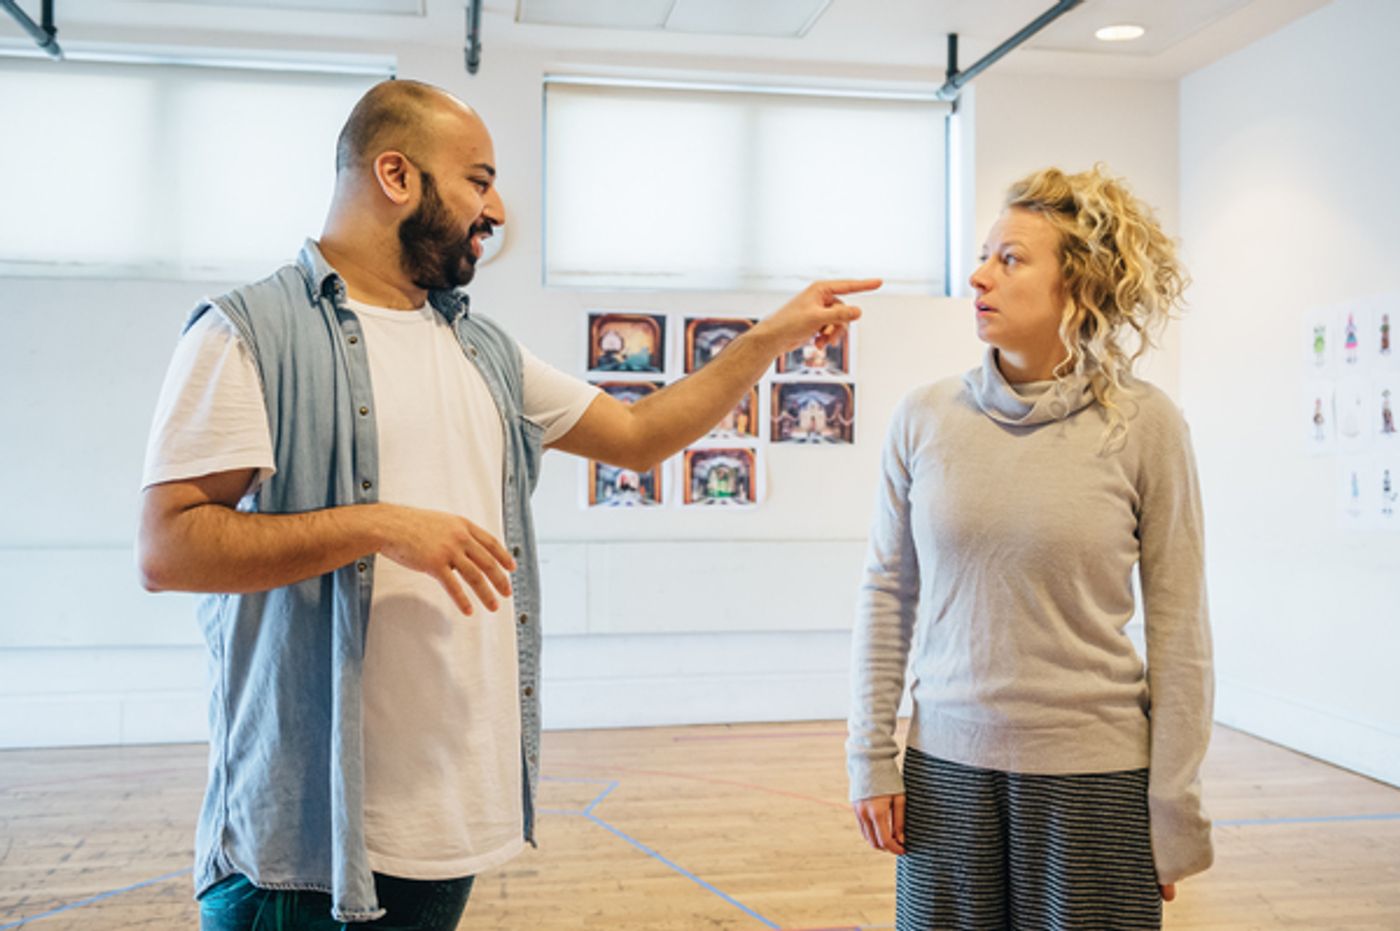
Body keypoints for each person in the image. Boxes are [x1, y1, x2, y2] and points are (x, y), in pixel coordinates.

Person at [137, 78, 878, 930]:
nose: (494, 209)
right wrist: (380, 525)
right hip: (302, 847)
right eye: (478, 180)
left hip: (447, 826)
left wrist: (766, 340)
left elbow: (638, 435)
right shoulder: (245, 334)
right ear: (396, 175)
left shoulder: (483, 348)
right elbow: (168, 548)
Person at [846, 165, 1212, 931]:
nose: (979, 275)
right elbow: (887, 594)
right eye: (984, 254)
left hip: (1097, 779)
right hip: (945, 773)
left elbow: (1181, 628)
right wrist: (870, 755)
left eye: (1010, 258)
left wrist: (1172, 802)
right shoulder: (923, 419)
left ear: (1078, 284)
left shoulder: (1148, 426)